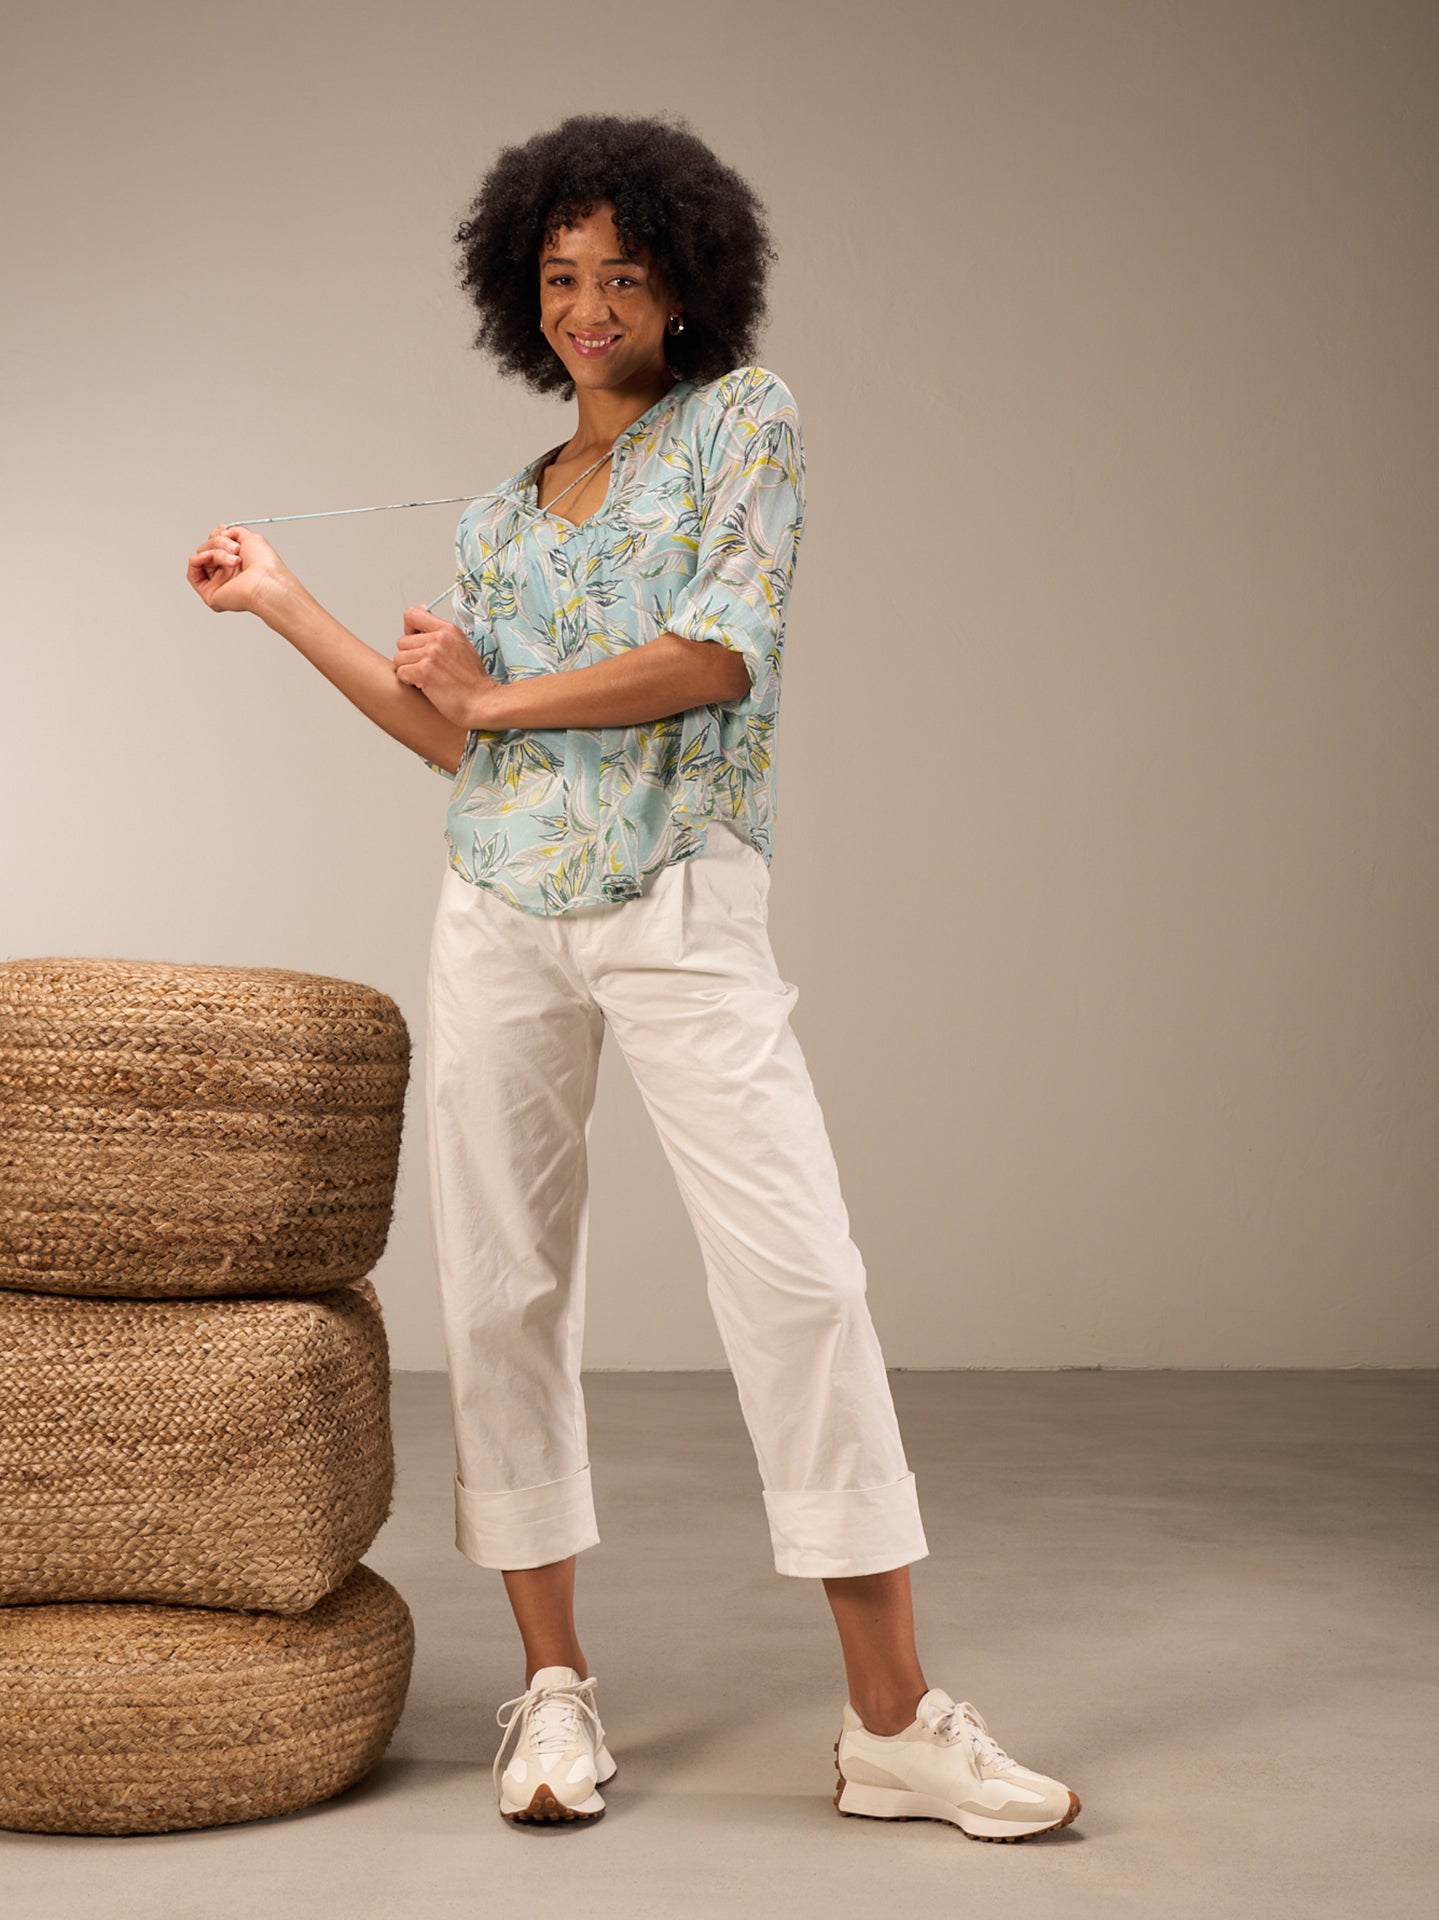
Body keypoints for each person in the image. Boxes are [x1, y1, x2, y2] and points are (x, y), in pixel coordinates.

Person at [186, 110, 1080, 1842]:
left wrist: (491, 696)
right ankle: (551, 1691)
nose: (588, 305)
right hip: (499, 911)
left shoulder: (746, 425)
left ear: (686, 284)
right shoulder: (502, 520)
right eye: (560, 276)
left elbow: (715, 656)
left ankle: (891, 1724)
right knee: (507, 1290)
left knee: (800, 1279)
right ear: (522, 292)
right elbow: (454, 752)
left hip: (679, 897)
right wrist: (293, 605)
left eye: (622, 274)